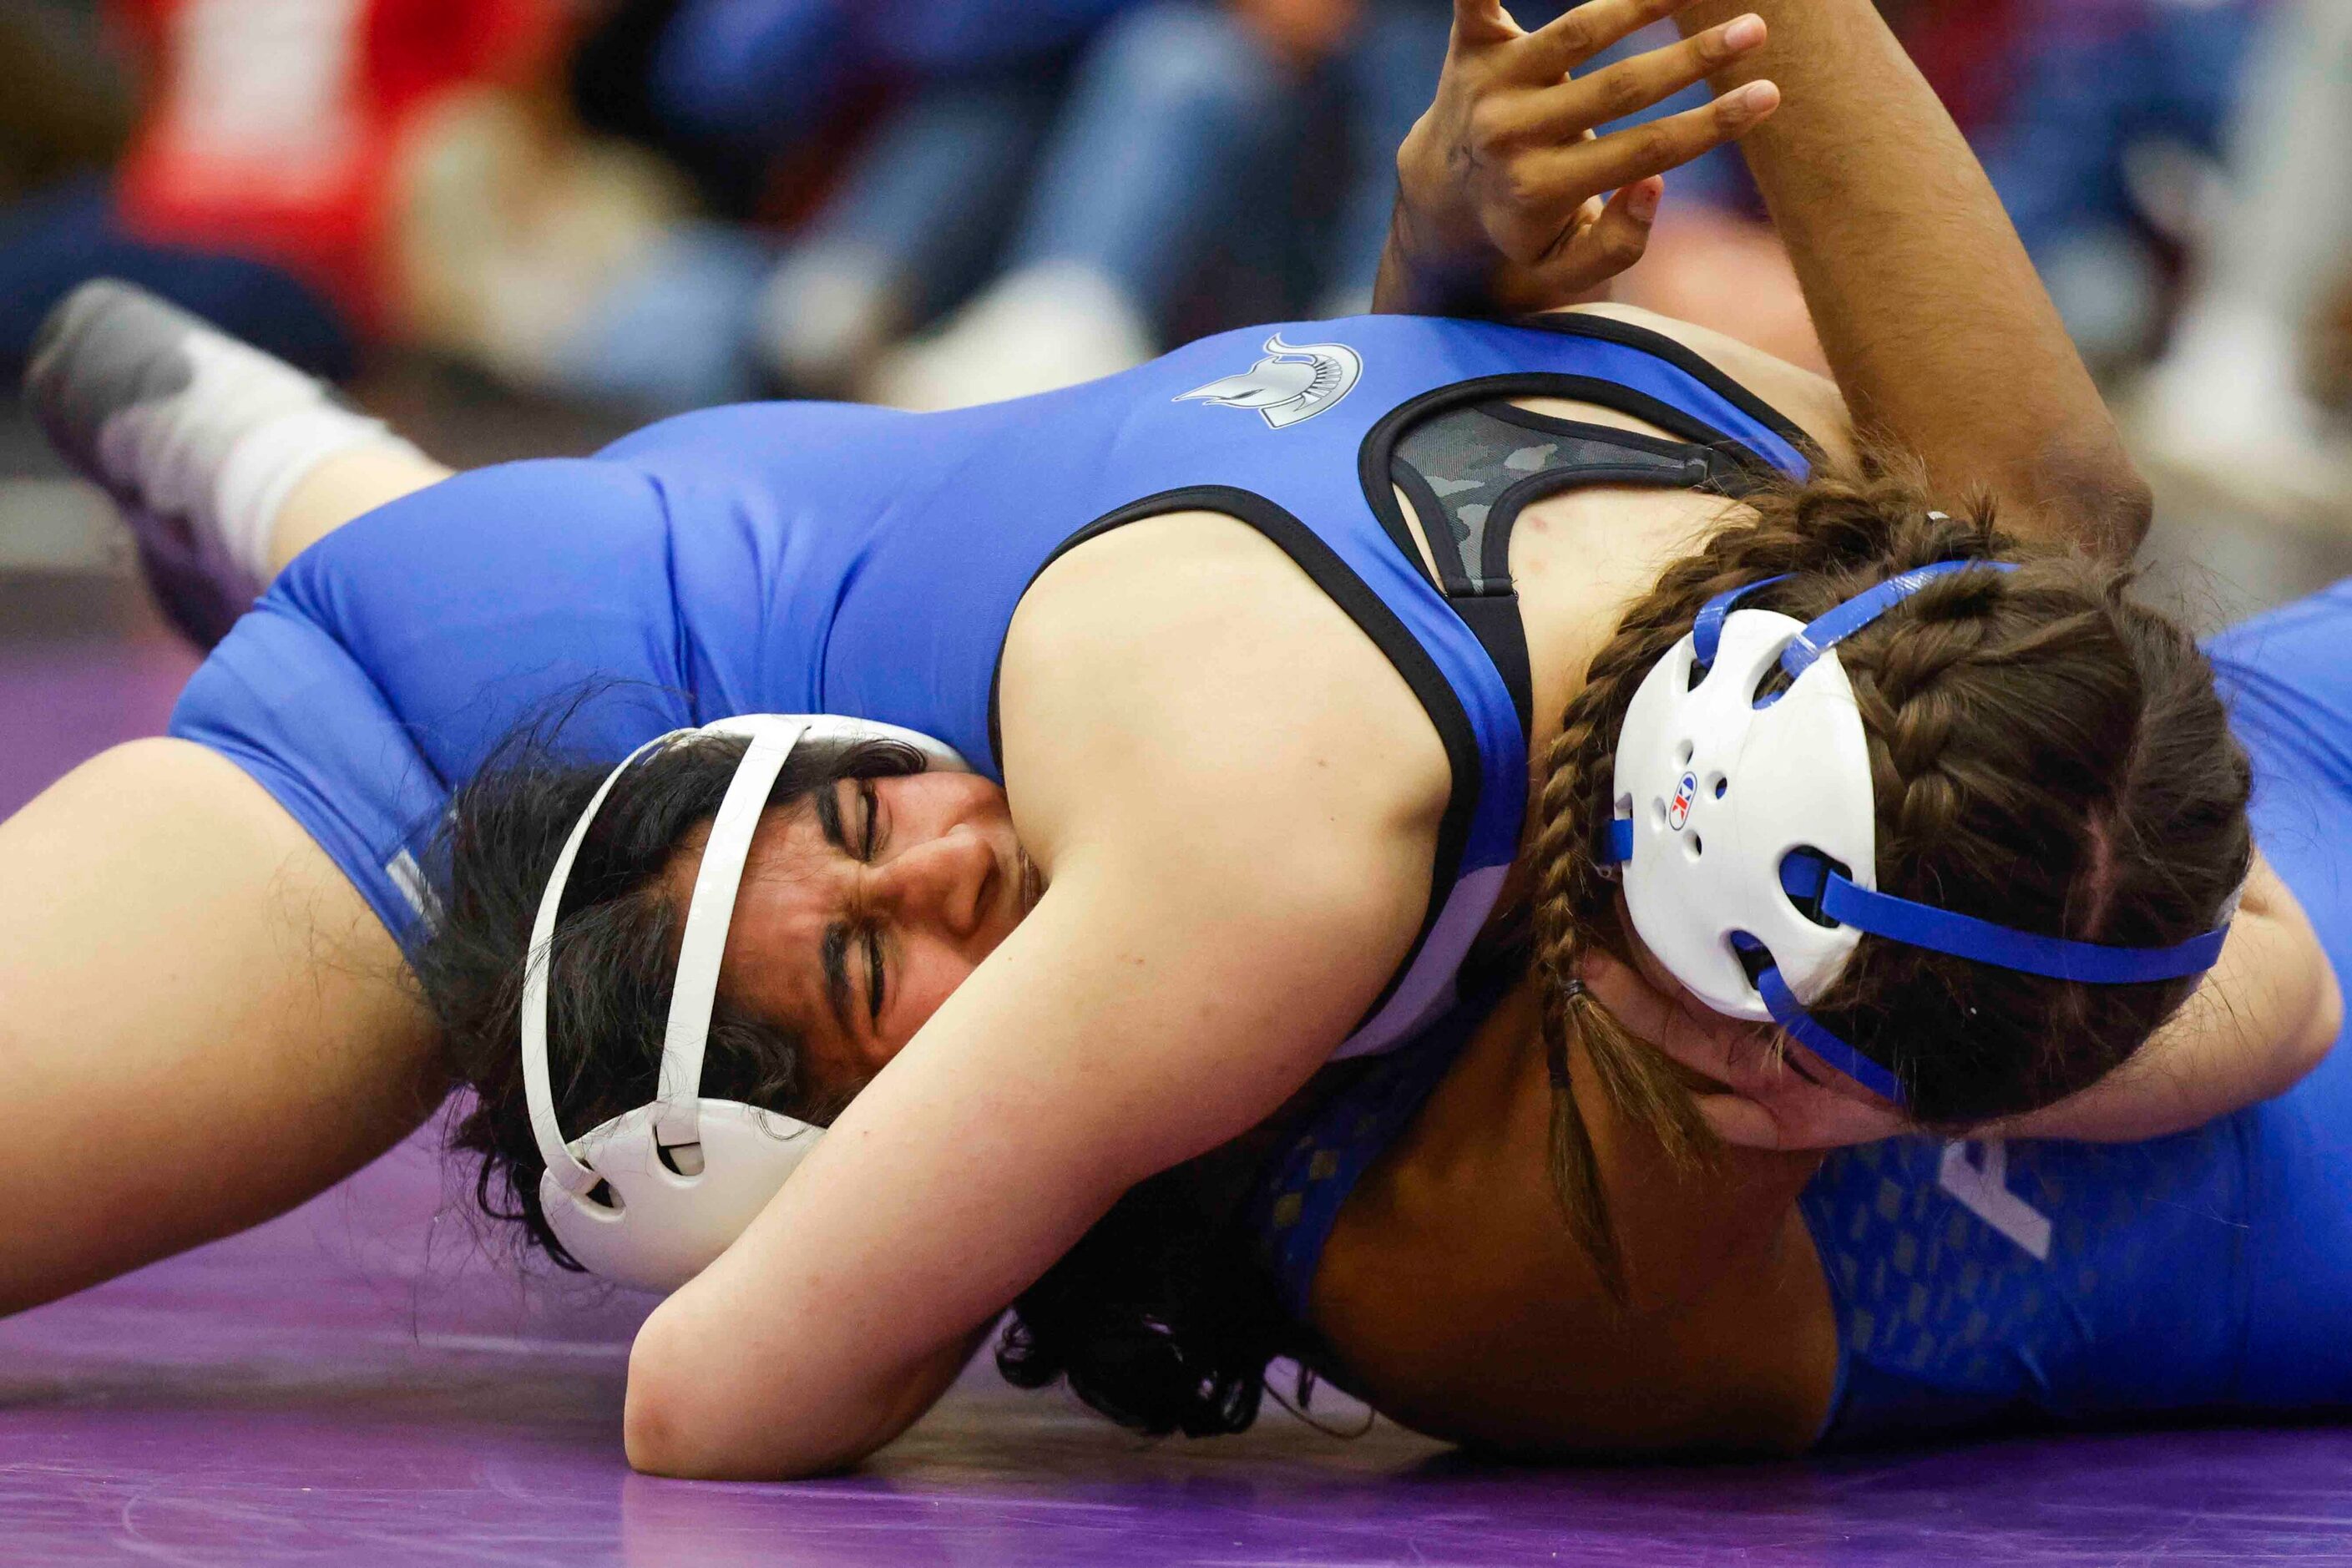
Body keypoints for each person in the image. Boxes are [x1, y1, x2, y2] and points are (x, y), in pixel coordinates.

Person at [9, 0, 2294, 1481]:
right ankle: (263, 453)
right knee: (505, 674)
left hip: (741, 535)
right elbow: (719, 1390)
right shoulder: (1266, 862)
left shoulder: (1824, 470)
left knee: (549, 647)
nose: (947, 852)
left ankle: (240, 438)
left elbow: (2094, 621)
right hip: (607, 640)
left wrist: (1448, 261)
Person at [1019, 566, 2349, 1455]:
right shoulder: (1437, 1259)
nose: (964, 854)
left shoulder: (1372, 852)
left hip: (2257, 730)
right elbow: (2278, 995)